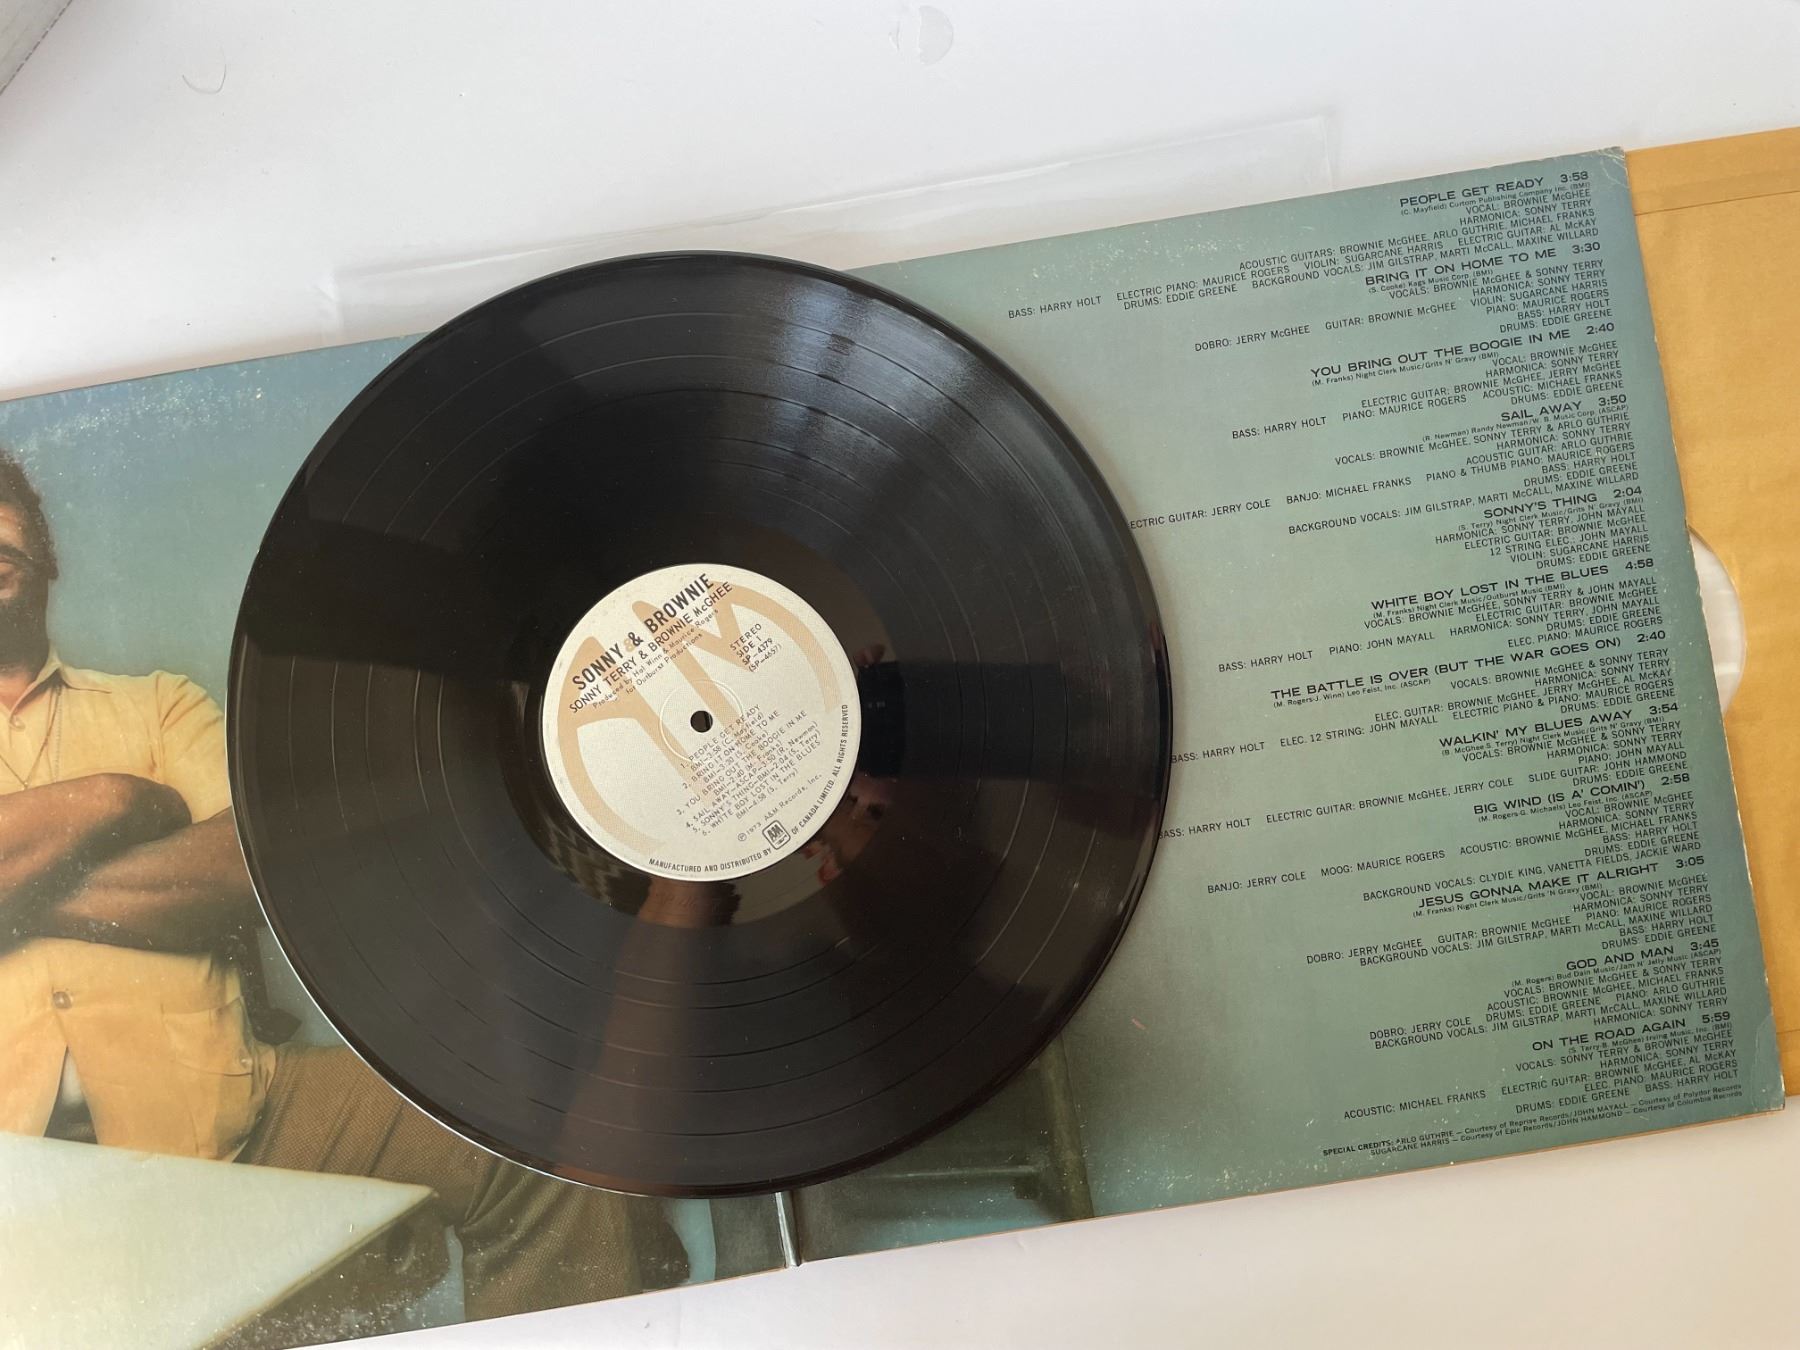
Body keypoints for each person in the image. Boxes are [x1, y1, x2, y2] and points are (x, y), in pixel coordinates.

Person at [0, 453, 685, 1323]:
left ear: (45, 549)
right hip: (15, 1188)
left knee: (535, 1142)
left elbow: (244, 874)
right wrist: (118, 802)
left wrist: (23, 886)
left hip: (238, 1114)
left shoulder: (159, 705)